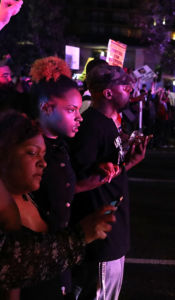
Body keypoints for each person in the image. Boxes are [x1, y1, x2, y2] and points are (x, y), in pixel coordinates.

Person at [0, 110, 116, 295]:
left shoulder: (31, 198)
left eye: (44, 155)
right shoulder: (4, 210)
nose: (43, 163)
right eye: (32, 153)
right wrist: (80, 236)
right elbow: (14, 263)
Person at [69, 65, 149, 300]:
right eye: (125, 87)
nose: (130, 91)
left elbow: (110, 171)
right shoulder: (92, 127)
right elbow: (78, 181)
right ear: (108, 93)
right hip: (102, 235)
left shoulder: (105, 123)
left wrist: (130, 162)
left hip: (111, 229)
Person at [22, 56, 84, 299]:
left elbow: (60, 192)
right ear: (46, 107)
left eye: (79, 110)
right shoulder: (24, 152)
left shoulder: (60, 146)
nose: (79, 117)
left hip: (58, 263)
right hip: (34, 272)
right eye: (71, 110)